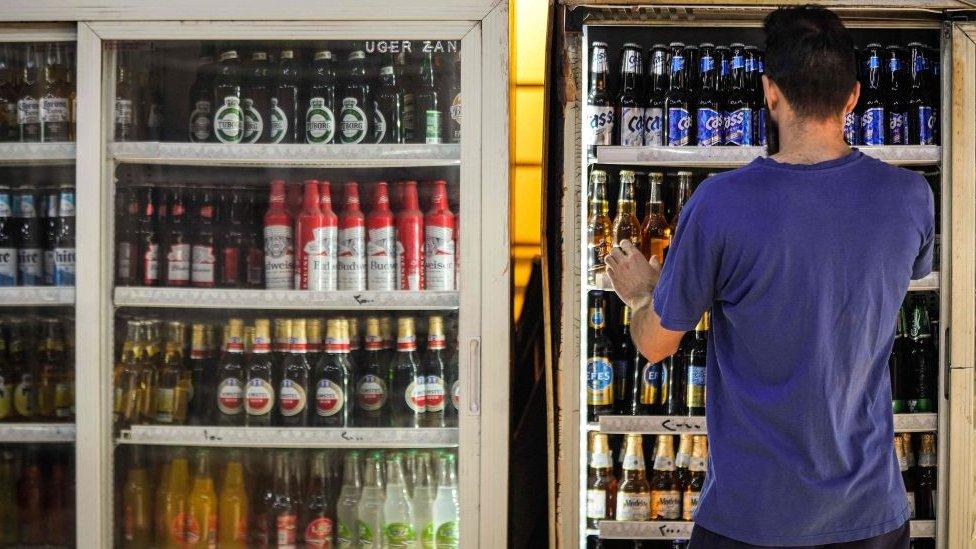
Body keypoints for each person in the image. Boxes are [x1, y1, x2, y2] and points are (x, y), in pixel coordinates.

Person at [605, 6, 932, 549]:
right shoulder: (910, 198)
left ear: (769, 92)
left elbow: (658, 345)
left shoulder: (717, 205)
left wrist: (641, 294)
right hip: (870, 511)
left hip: (748, 517)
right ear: (853, 96)